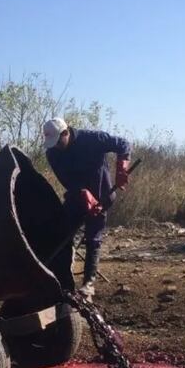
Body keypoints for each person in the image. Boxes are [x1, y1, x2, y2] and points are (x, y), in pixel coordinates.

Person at [42, 117, 131, 299]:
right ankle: (62, 282)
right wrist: (82, 192)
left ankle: (88, 286)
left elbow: (123, 144)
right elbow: (66, 180)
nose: (56, 146)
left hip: (102, 196)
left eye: (58, 141)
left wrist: (122, 167)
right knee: (63, 233)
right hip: (76, 197)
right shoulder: (53, 153)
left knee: (93, 238)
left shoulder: (93, 139)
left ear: (66, 133)